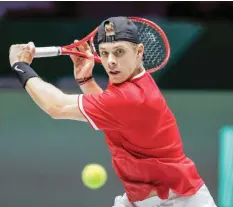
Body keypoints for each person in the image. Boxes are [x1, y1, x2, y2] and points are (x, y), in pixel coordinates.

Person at [9, 16, 217, 207]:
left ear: (139, 51)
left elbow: (56, 106)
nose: (110, 61)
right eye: (105, 52)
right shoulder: (131, 84)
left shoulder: (131, 98)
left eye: (119, 52)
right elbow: (112, 118)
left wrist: (20, 66)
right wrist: (86, 80)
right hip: (139, 200)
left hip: (181, 201)